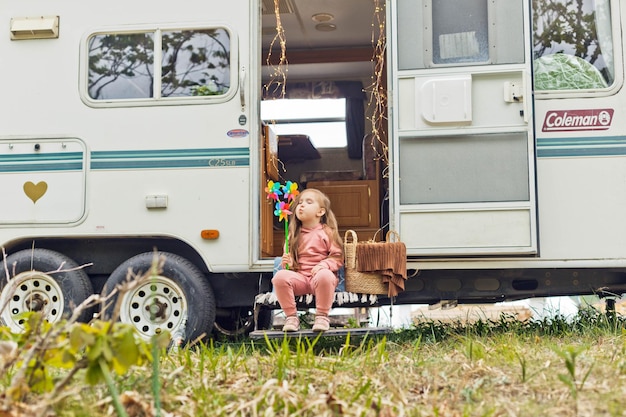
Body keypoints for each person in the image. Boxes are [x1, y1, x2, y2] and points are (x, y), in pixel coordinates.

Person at [272, 188, 343, 332]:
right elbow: (290, 265)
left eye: (308, 202)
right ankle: (291, 317)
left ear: (320, 212)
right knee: (279, 277)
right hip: (301, 280)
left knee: (326, 275)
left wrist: (324, 265)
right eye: (300, 202)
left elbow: (337, 257)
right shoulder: (292, 235)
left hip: (319, 280)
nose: (301, 205)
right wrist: (289, 264)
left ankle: (322, 317)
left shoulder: (326, 232)